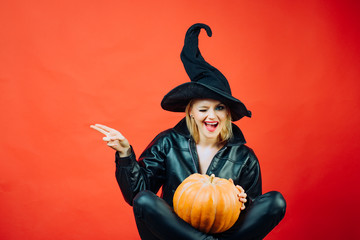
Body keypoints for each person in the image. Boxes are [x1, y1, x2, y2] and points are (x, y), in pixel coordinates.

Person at [91, 23, 286, 240]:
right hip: (174, 235)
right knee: (145, 200)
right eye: (203, 109)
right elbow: (136, 195)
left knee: (275, 201)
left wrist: (244, 202)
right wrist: (125, 154)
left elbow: (250, 219)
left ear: (228, 113)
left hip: (224, 232)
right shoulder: (168, 142)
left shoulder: (244, 157)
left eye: (219, 108)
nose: (212, 116)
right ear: (191, 112)